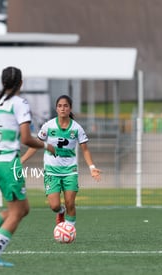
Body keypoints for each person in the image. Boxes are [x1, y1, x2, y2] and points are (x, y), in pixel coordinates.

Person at [0, 66, 55, 267]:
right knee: (17, 212)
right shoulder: (19, 103)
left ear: (3, 83)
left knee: (22, 208)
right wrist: (47, 146)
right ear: (21, 83)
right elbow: (26, 138)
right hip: (8, 163)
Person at [21, 95, 101, 229]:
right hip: (51, 171)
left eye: (65, 106)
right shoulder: (48, 126)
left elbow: (85, 150)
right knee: (54, 206)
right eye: (60, 106)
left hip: (70, 170)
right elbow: (36, 144)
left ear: (70, 108)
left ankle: (69, 230)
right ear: (56, 109)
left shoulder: (77, 128)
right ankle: (60, 212)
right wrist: (21, 160)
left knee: (70, 203)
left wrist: (92, 167)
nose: (63, 108)